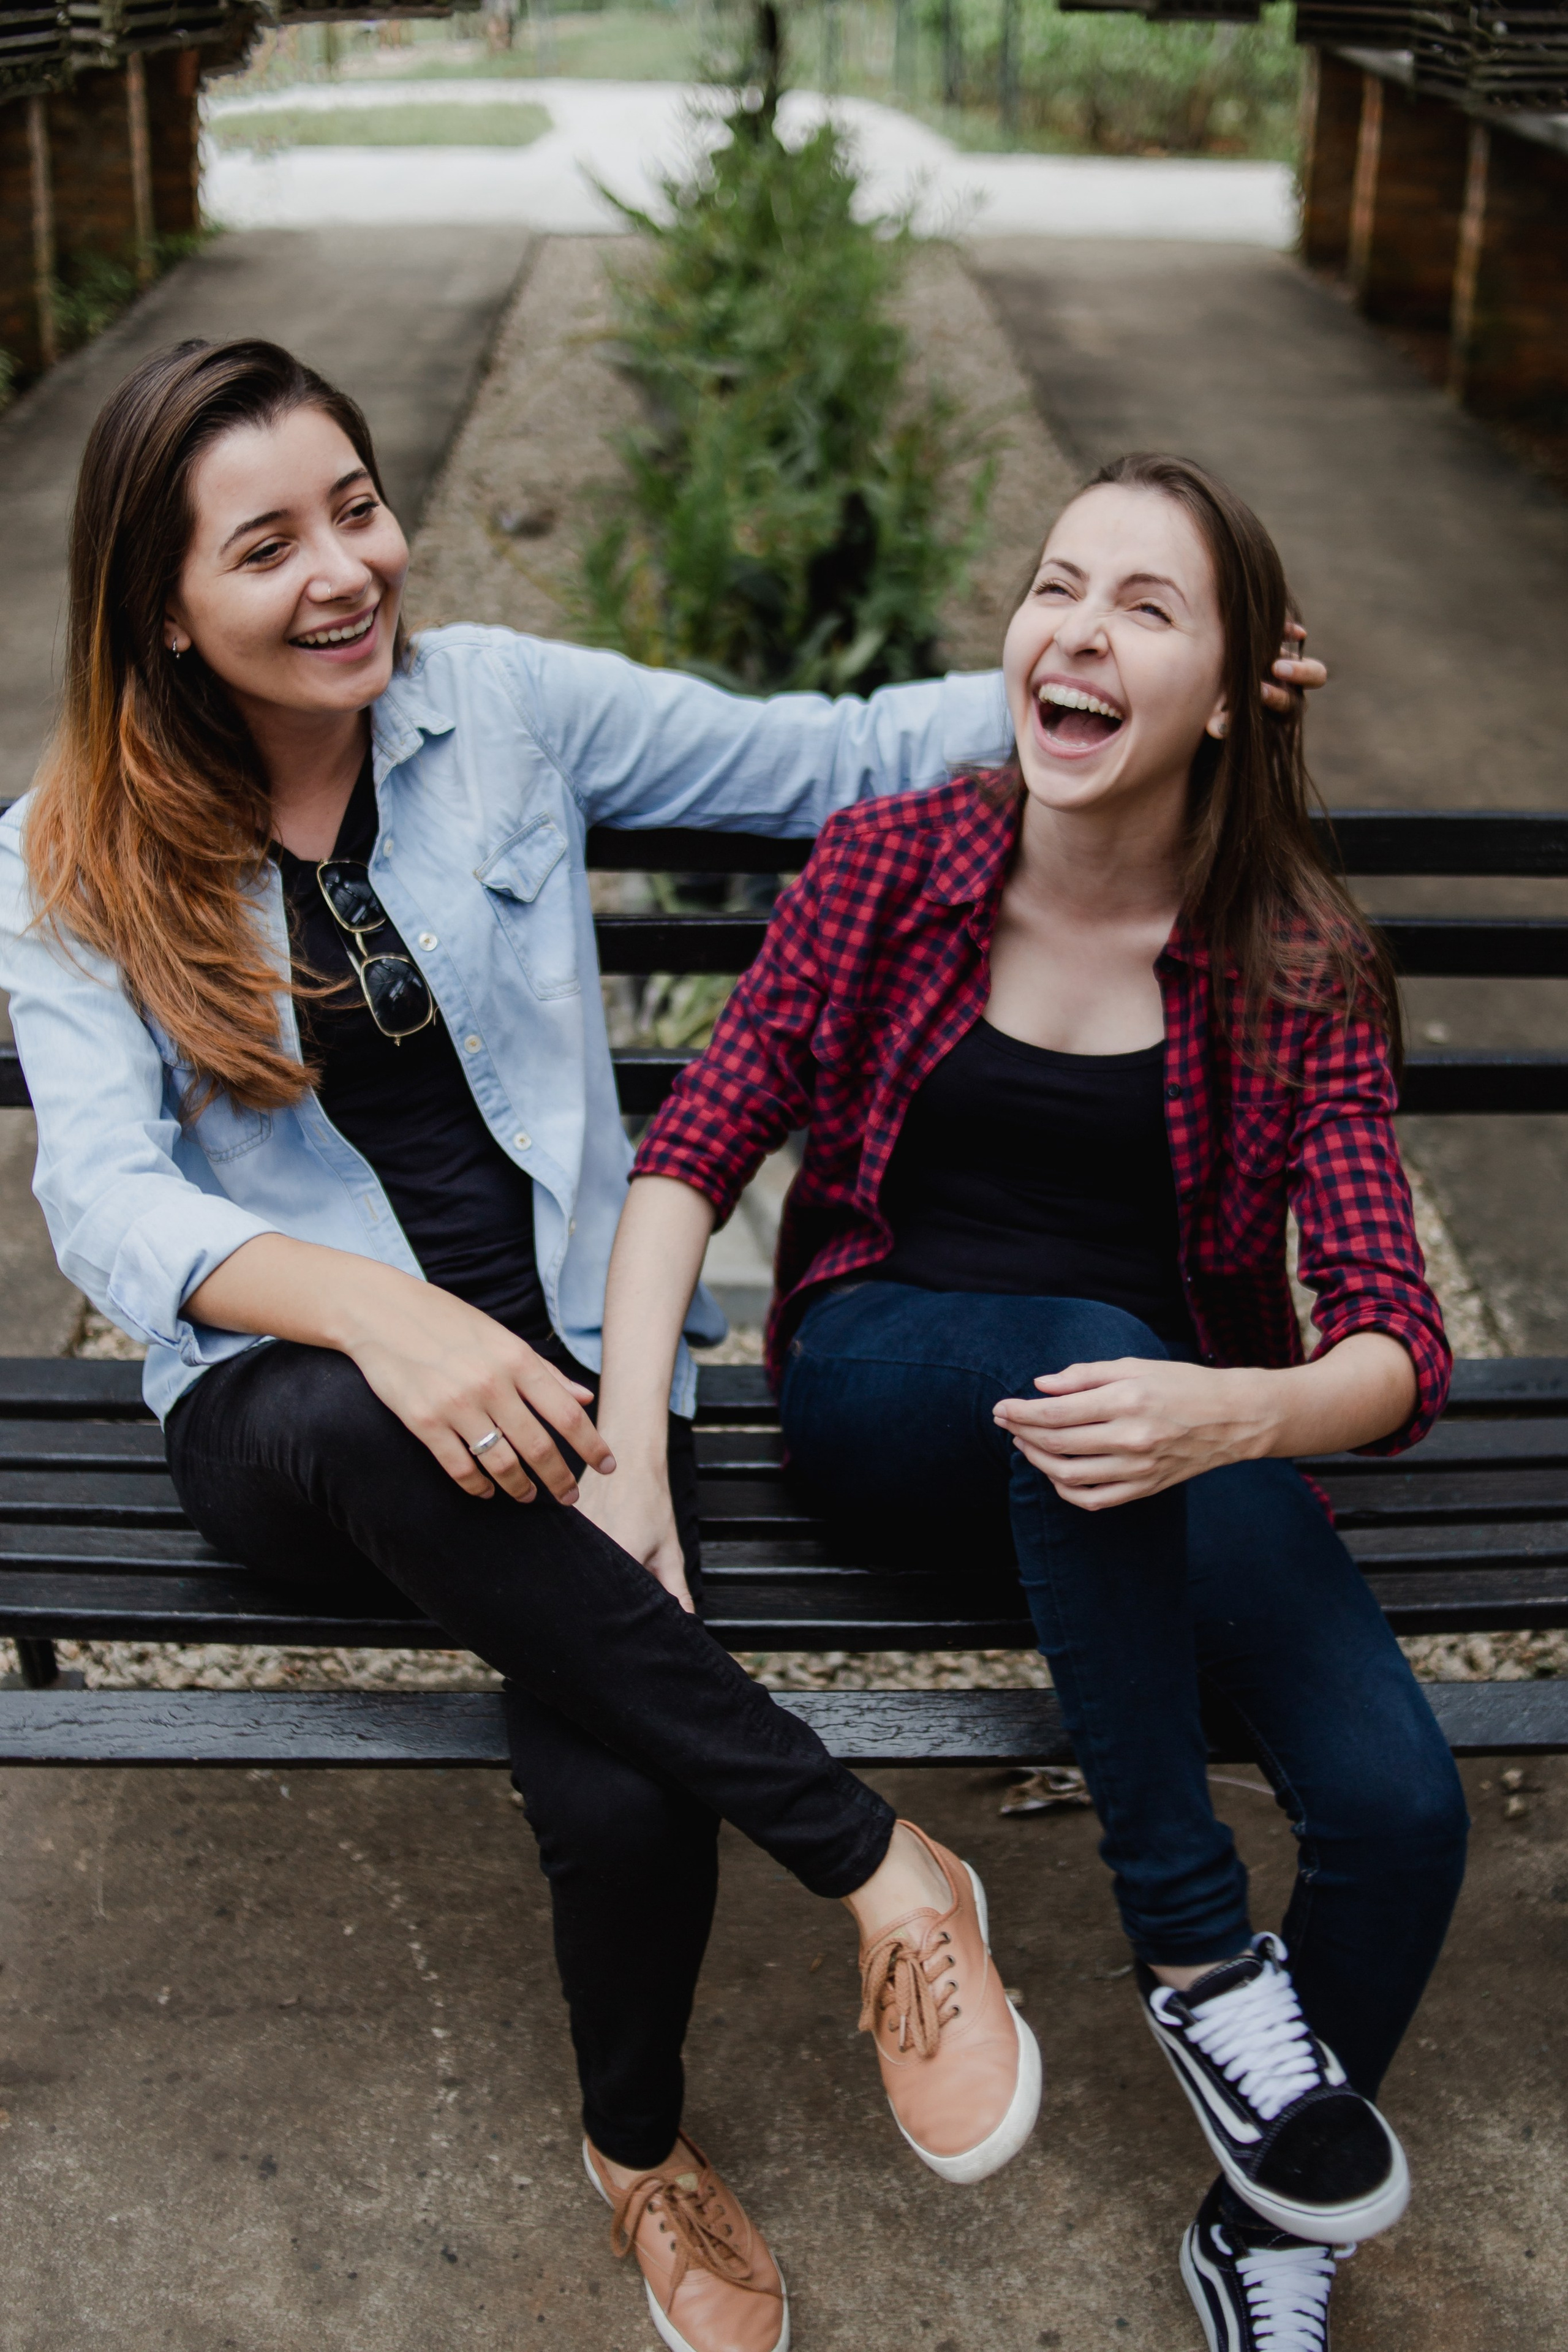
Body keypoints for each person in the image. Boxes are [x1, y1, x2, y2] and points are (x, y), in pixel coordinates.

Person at [586, 453, 1469, 2352]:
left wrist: (1236, 1415)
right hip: (890, 1382)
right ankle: (1193, 1952)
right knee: (1070, 1333)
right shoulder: (890, 868)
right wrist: (629, 1449)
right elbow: (694, 1151)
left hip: (1160, 1436)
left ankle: (1264, 2220)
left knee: (1406, 1809)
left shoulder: (1300, 962)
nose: (1078, 632)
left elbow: (1395, 1339)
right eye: (1058, 585)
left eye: (1148, 608)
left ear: (1234, 692)